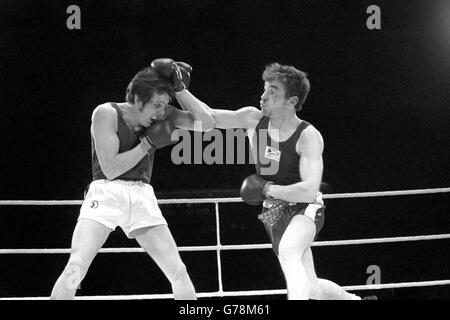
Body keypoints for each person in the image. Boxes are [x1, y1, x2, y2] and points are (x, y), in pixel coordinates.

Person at [50, 58, 215, 300]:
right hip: (106, 193)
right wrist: (148, 143)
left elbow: (207, 123)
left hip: (141, 194)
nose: (161, 112)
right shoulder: (105, 113)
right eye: (157, 105)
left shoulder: (164, 114)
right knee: (76, 267)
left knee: (178, 271)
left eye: (164, 105)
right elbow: (110, 169)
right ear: (138, 100)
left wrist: (180, 89)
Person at [204, 62, 360, 300]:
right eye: (265, 89)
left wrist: (267, 189)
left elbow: (308, 191)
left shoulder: (308, 136)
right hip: (274, 211)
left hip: (305, 208)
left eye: (273, 91)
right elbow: (209, 118)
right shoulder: (253, 120)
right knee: (313, 287)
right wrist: (179, 90)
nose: (264, 96)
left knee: (289, 252)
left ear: (292, 101)